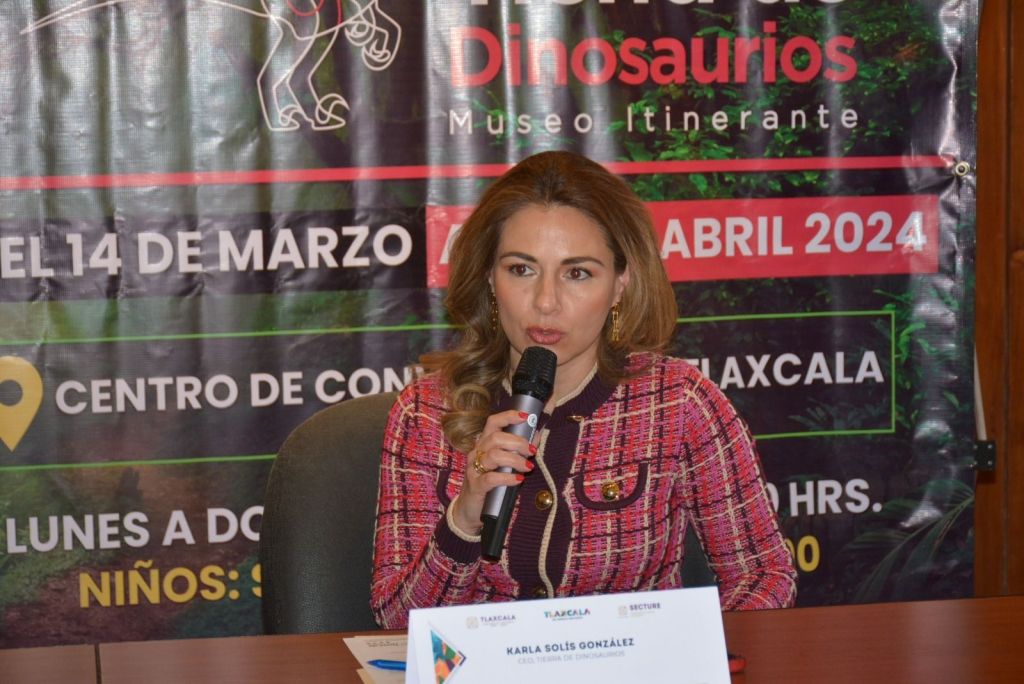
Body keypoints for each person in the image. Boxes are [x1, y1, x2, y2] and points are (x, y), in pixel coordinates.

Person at [370, 151, 796, 629]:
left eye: (577, 273)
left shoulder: (678, 403)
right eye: (521, 269)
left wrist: (694, 654)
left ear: (620, 284)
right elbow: (397, 622)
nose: (546, 302)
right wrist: (465, 517)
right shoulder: (426, 412)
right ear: (489, 277)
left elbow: (765, 576)